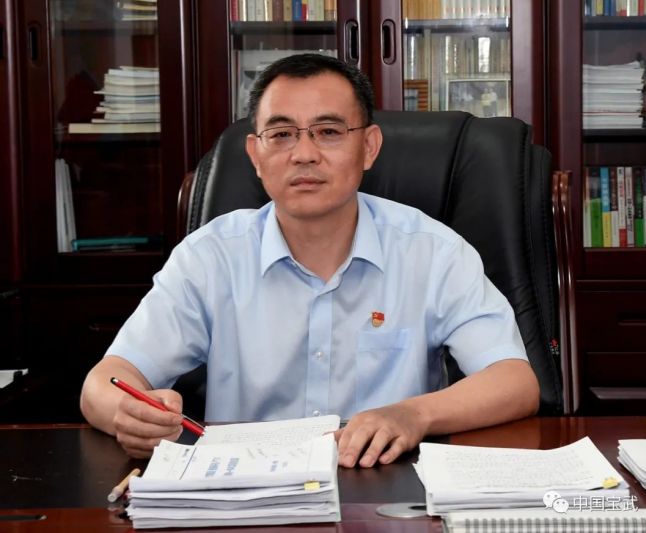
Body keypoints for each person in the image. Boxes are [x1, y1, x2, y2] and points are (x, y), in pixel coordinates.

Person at [80, 53, 540, 467]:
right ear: (255, 155)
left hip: (386, 490)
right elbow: (105, 382)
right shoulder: (209, 257)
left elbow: (514, 381)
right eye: (281, 134)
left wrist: (413, 414)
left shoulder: (432, 251)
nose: (304, 154)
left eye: (329, 132)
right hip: (246, 494)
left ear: (369, 147)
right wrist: (129, 414)